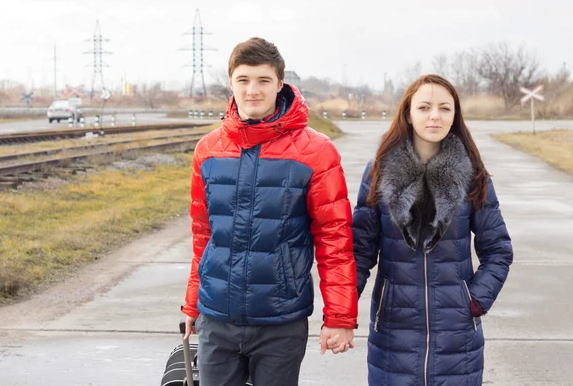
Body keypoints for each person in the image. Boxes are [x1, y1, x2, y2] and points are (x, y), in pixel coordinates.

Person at [181, 37, 358, 386]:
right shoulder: (208, 149)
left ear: (280, 84)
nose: (253, 90)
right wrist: (192, 305)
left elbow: (334, 239)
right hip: (218, 318)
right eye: (244, 80)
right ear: (231, 82)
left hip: (280, 321)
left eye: (263, 80)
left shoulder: (316, 152)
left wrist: (339, 316)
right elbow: (203, 236)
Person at [352, 74, 513, 386]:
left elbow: (498, 250)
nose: (435, 115)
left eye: (444, 108)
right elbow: (361, 251)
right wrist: (342, 311)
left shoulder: (474, 174)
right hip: (392, 330)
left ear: (455, 116)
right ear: (409, 114)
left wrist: (474, 300)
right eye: (424, 107)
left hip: (457, 336)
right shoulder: (378, 172)